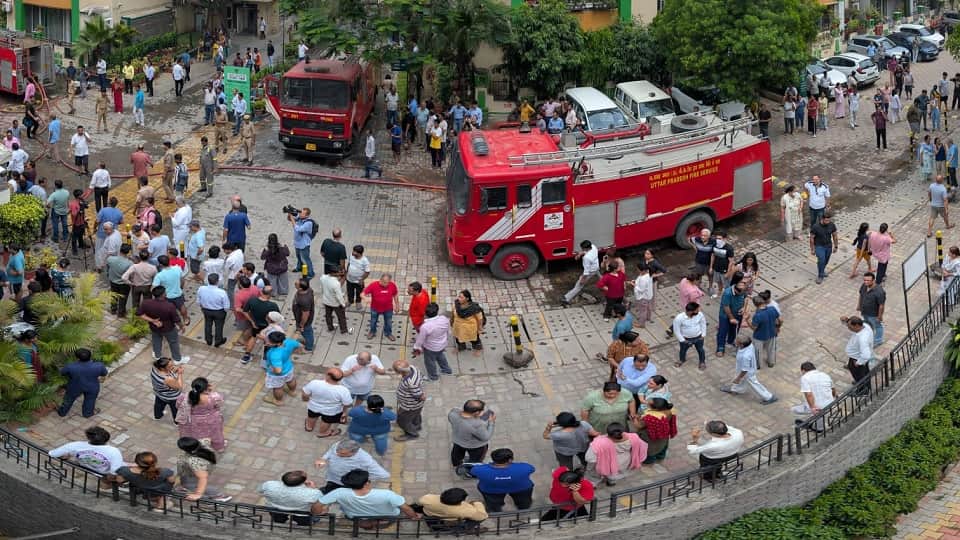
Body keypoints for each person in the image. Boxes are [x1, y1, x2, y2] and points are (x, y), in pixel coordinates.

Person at [316, 469, 419, 524]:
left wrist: (317, 513)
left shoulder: (338, 492)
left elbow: (318, 505)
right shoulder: (387, 494)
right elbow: (405, 508)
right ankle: (376, 525)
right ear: (366, 483)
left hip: (355, 517)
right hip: (387, 516)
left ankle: (367, 525)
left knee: (363, 523)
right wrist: (414, 517)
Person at [470, 448, 535, 512]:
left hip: (491, 490)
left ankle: (495, 510)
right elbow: (532, 469)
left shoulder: (479, 470)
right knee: (523, 500)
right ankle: (523, 507)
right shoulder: (524, 467)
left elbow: (472, 472)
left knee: (493, 502)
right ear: (510, 460)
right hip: (521, 488)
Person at [719, 334, 778, 404]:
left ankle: (769, 397)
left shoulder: (745, 356)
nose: (735, 341)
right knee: (740, 381)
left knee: (754, 384)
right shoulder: (749, 345)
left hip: (748, 373)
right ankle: (735, 389)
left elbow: (744, 370)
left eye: (736, 341)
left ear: (741, 345)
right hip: (744, 369)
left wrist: (738, 378)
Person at [585, 423, 646, 487]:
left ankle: (593, 484)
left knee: (594, 472)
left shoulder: (599, 443)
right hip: (625, 462)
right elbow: (641, 447)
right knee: (615, 473)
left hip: (608, 464)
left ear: (608, 433)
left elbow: (589, 458)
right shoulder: (634, 437)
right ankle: (611, 481)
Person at [175, 377, 226, 452]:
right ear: (206, 388)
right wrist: (211, 391)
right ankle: (218, 447)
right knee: (215, 434)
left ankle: (195, 447)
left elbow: (178, 405)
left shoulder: (185, 396)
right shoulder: (213, 397)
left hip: (192, 421)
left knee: (193, 434)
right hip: (211, 420)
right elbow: (219, 404)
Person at [137, 286, 186, 363]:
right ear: (163, 295)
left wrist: (152, 320)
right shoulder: (169, 306)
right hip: (169, 328)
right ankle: (177, 359)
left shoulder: (146, 303)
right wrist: (182, 326)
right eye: (165, 292)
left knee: (156, 339)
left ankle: (157, 355)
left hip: (154, 327)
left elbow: (140, 314)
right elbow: (176, 319)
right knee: (173, 342)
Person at [175, 437, 231, 502]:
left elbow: (203, 478)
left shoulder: (194, 461)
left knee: (191, 484)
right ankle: (185, 486)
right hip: (200, 467)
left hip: (193, 473)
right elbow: (208, 439)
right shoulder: (202, 443)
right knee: (187, 481)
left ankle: (218, 495)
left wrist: (198, 494)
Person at [258, 470, 325, 525]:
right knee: (304, 522)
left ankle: (279, 524)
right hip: (301, 513)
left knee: (278, 519)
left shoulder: (269, 485)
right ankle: (304, 526)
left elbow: (260, 490)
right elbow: (320, 502)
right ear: (302, 482)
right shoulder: (313, 493)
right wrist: (313, 489)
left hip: (275, 509)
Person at [49, 426, 124, 475]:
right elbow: (115, 471)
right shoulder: (114, 451)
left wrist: (68, 455)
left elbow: (52, 453)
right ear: (106, 439)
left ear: (89, 437)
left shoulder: (76, 445)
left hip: (84, 466)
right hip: (102, 473)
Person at [56, 348, 107, 418]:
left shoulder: (71, 366)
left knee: (68, 399)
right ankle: (87, 414)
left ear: (77, 358)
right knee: (90, 400)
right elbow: (104, 373)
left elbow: (62, 373)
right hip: (92, 386)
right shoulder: (99, 365)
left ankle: (62, 412)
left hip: (75, 386)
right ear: (90, 356)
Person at [302, 367, 353, 438]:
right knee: (326, 422)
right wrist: (344, 410)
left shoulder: (315, 383)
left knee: (312, 416)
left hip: (313, 407)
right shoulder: (343, 390)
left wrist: (305, 399)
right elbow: (348, 404)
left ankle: (309, 427)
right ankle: (322, 433)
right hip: (331, 411)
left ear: (328, 376)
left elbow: (305, 394)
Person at [448, 400, 495, 468]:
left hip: (458, 440)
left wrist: (479, 418)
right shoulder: (478, 425)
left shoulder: (453, 412)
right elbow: (486, 437)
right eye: (482, 411)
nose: (483, 412)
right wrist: (491, 422)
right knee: (475, 460)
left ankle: (457, 463)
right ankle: (470, 471)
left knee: (456, 454)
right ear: (476, 413)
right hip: (475, 446)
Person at [414, 302, 453, 380]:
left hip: (430, 348)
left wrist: (417, 347)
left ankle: (433, 376)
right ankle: (446, 370)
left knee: (430, 362)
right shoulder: (444, 319)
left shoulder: (426, 326)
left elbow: (420, 339)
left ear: (426, 314)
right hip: (442, 344)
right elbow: (449, 331)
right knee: (440, 356)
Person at [262, 331, 302, 406]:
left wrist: (271, 369)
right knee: (290, 380)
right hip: (289, 368)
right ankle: (292, 392)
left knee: (278, 387)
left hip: (278, 375)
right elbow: (299, 345)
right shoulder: (289, 342)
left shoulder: (275, 354)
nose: (267, 341)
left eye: (269, 341)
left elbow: (278, 371)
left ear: (278, 343)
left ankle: (278, 401)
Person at [418, 488, 488, 531]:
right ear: (460, 501)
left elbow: (419, 502)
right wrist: (477, 503)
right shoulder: (466, 510)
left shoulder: (427, 499)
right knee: (477, 518)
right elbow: (483, 516)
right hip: (451, 519)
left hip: (430, 516)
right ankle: (464, 529)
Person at [633, 397, 677, 463]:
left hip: (651, 437)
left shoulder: (650, 418)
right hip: (664, 433)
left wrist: (634, 419)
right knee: (663, 445)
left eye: (649, 403)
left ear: (655, 408)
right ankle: (661, 456)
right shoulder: (670, 410)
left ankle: (649, 461)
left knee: (650, 450)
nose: (647, 402)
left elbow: (639, 426)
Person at [392, 359, 425, 441]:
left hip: (409, 405)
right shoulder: (413, 368)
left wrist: (421, 396)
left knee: (402, 420)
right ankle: (417, 425)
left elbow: (419, 395)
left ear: (400, 372)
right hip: (417, 406)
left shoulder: (411, 382)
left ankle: (411, 434)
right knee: (416, 415)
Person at [561, 240, 599, 306]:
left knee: (579, 286)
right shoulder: (593, 246)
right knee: (599, 275)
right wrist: (580, 254)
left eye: (582, 248)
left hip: (590, 271)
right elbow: (586, 251)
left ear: (586, 248)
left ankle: (566, 298)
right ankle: (608, 284)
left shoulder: (587, 258)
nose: (581, 249)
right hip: (596, 266)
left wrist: (582, 279)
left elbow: (586, 272)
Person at [363, 273, 399, 340]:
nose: (386, 284)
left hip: (388, 308)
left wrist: (397, 305)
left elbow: (395, 294)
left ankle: (388, 333)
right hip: (375, 308)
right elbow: (363, 293)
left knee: (388, 321)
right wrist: (365, 298)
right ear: (381, 279)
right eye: (384, 282)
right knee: (373, 321)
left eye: (388, 282)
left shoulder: (392, 285)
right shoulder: (373, 285)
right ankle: (372, 332)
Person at [196, 273, 229, 347]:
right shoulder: (222, 292)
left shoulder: (201, 289)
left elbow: (198, 302)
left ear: (208, 280)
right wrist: (224, 311)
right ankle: (218, 341)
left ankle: (208, 340)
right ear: (217, 281)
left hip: (206, 310)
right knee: (219, 326)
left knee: (208, 324)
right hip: (219, 311)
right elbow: (226, 306)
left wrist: (202, 308)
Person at [749, 295, 781, 368]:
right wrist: (778, 328)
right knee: (771, 349)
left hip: (759, 336)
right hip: (772, 333)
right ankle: (771, 362)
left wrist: (747, 321)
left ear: (755, 305)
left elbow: (754, 328)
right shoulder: (772, 309)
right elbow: (780, 320)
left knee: (758, 351)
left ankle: (759, 365)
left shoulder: (757, 315)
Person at [673, 302, 707, 369]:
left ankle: (702, 362)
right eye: (696, 310)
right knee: (683, 350)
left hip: (699, 337)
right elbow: (676, 331)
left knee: (701, 350)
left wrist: (703, 335)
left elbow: (703, 324)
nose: (698, 311)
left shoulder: (700, 314)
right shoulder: (679, 318)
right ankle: (682, 360)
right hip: (686, 339)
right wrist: (683, 340)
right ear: (690, 311)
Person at [857, 272, 886, 347]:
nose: (866, 282)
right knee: (867, 323)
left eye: (868, 280)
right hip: (864, 311)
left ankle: (878, 340)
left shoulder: (879, 291)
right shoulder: (864, 285)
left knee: (878, 326)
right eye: (865, 280)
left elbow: (881, 305)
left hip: (873, 314)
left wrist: (879, 316)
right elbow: (861, 295)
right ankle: (869, 334)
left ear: (873, 280)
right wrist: (859, 305)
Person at [151, 357, 183, 422]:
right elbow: (179, 386)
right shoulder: (167, 379)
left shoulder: (155, 369)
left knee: (158, 405)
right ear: (163, 368)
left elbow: (166, 372)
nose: (173, 366)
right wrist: (180, 374)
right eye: (170, 366)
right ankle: (177, 422)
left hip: (159, 393)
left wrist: (173, 370)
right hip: (171, 397)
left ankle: (158, 416)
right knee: (175, 410)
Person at [810, 211, 838, 284]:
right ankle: (820, 276)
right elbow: (812, 238)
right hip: (819, 246)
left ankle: (822, 270)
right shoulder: (815, 226)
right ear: (822, 219)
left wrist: (836, 246)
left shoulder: (832, 225)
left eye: (829, 220)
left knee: (826, 261)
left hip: (828, 246)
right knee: (821, 260)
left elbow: (835, 236)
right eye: (826, 220)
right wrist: (812, 249)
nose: (828, 222)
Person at [452, 289, 484, 353]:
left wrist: (480, 328)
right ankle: (461, 347)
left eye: (461, 297)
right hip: (458, 327)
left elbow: (480, 318)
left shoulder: (474, 308)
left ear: (467, 299)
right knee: (458, 339)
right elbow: (453, 312)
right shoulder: (457, 304)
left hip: (469, 328)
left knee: (474, 340)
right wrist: (451, 320)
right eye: (459, 296)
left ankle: (478, 348)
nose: (459, 299)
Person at [318, 271, 350, 335]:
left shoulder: (323, 278)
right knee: (341, 317)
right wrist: (343, 304)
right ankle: (343, 329)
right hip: (336, 303)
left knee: (328, 315)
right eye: (339, 272)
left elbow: (321, 288)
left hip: (326, 301)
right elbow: (339, 296)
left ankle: (330, 328)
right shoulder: (336, 283)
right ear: (335, 273)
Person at [290, 208, 316, 279]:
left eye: (302, 213)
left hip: (304, 244)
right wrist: (290, 213)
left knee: (305, 259)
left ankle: (310, 273)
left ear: (307, 215)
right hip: (297, 243)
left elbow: (298, 229)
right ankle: (299, 268)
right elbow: (290, 219)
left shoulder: (308, 223)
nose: (300, 214)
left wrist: (292, 218)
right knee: (298, 257)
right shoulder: (300, 217)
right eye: (301, 212)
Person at [345, 245, 370, 309]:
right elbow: (349, 264)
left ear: (359, 253)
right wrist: (346, 272)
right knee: (350, 291)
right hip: (349, 279)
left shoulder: (365, 261)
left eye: (354, 251)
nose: (352, 252)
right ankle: (350, 301)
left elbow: (367, 272)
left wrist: (361, 280)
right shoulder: (351, 256)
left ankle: (358, 302)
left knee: (359, 292)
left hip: (358, 281)